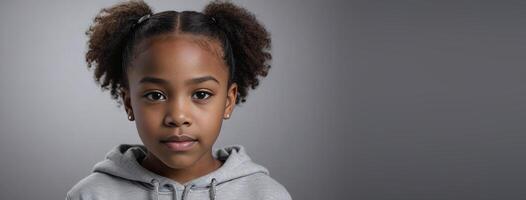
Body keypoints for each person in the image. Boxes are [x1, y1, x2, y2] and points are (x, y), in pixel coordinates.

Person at [66, 0, 291, 199]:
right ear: (129, 103)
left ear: (228, 101)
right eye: (155, 95)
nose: (178, 116)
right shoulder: (90, 195)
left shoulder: (265, 195)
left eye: (201, 94)